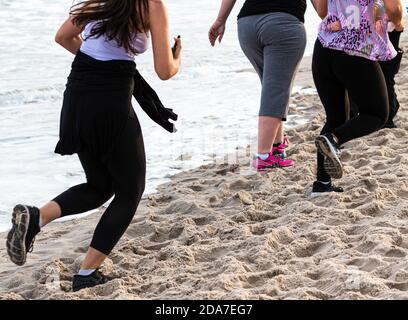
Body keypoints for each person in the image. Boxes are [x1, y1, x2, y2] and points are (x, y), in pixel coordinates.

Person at [6, 0, 182, 292]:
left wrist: (99, 61)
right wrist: (178, 55)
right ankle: (87, 273)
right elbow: (165, 71)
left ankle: (37, 217)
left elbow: (62, 37)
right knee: (130, 190)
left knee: (100, 185)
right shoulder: (152, 5)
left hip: (77, 95)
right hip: (111, 100)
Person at [311, 0, 404, 196]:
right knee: (377, 114)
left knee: (336, 118)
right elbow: (394, 9)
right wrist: (399, 23)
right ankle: (333, 139)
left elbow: (321, 11)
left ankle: (322, 184)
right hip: (355, 48)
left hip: (323, 47)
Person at [209, 0, 307, 171]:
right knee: (276, 90)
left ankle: (276, 146)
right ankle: (263, 156)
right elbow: (321, 7)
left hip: (247, 25)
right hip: (283, 24)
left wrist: (220, 20)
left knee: (272, 86)